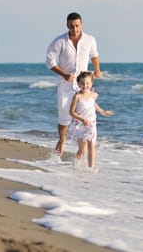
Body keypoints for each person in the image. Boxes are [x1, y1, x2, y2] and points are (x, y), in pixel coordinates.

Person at [45, 12, 102, 157]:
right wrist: (64, 74)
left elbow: (94, 55)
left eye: (77, 25)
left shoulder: (90, 39)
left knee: (85, 118)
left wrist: (97, 69)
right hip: (65, 86)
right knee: (64, 120)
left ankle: (81, 150)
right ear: (67, 25)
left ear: (81, 24)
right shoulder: (60, 41)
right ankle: (62, 141)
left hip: (84, 85)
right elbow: (49, 61)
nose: (75, 29)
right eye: (71, 26)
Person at [67, 71, 113, 169]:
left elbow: (93, 104)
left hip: (91, 124)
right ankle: (75, 165)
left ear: (91, 84)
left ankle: (90, 169)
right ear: (78, 84)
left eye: (87, 83)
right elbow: (71, 112)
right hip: (79, 125)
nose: (85, 85)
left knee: (91, 146)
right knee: (82, 150)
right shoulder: (77, 96)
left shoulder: (93, 95)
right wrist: (82, 120)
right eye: (82, 83)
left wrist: (102, 112)